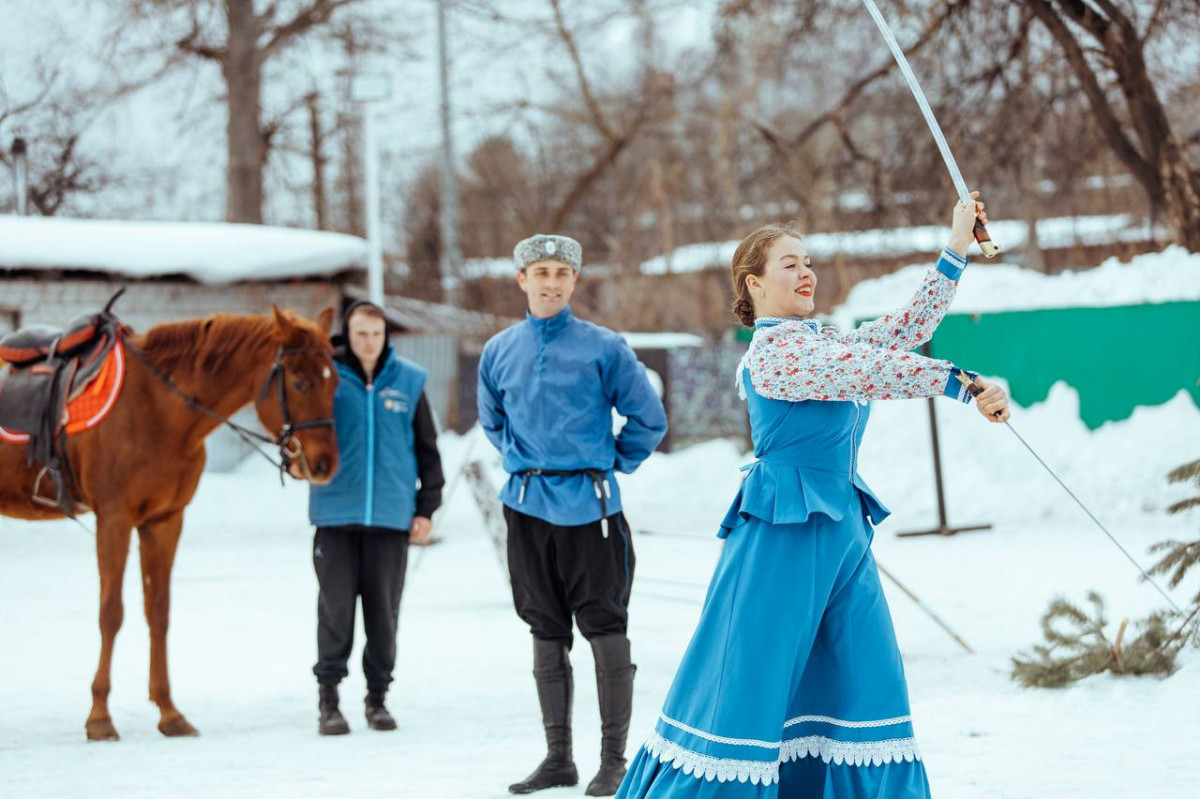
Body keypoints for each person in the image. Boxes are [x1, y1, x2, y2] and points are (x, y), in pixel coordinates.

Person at [616, 194, 1010, 799]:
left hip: (843, 533)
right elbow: (867, 372)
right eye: (790, 264)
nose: (807, 273)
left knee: (865, 682)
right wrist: (961, 383)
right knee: (749, 689)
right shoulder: (776, 351)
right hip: (784, 534)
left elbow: (907, 333)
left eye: (808, 262)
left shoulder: (826, 343)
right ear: (754, 284)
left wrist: (956, 246)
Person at [478, 234, 669, 796]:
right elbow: (492, 421)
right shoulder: (498, 350)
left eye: (562, 273)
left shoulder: (604, 347)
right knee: (544, 626)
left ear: (574, 281)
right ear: (522, 280)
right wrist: (523, 462)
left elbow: (648, 418)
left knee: (605, 626)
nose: (551, 282)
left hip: (592, 509)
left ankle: (614, 760)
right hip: (526, 507)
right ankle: (558, 757)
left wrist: (611, 462)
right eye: (540, 272)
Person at [306, 300, 444, 736]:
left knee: (384, 616)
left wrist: (426, 509)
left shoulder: (409, 381)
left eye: (377, 334)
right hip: (335, 515)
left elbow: (428, 452)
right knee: (335, 613)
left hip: (390, 519)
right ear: (348, 335)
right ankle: (329, 701)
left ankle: (377, 700)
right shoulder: (327, 377)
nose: (369, 342)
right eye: (361, 333)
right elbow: (300, 431)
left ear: (386, 337)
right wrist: (295, 460)